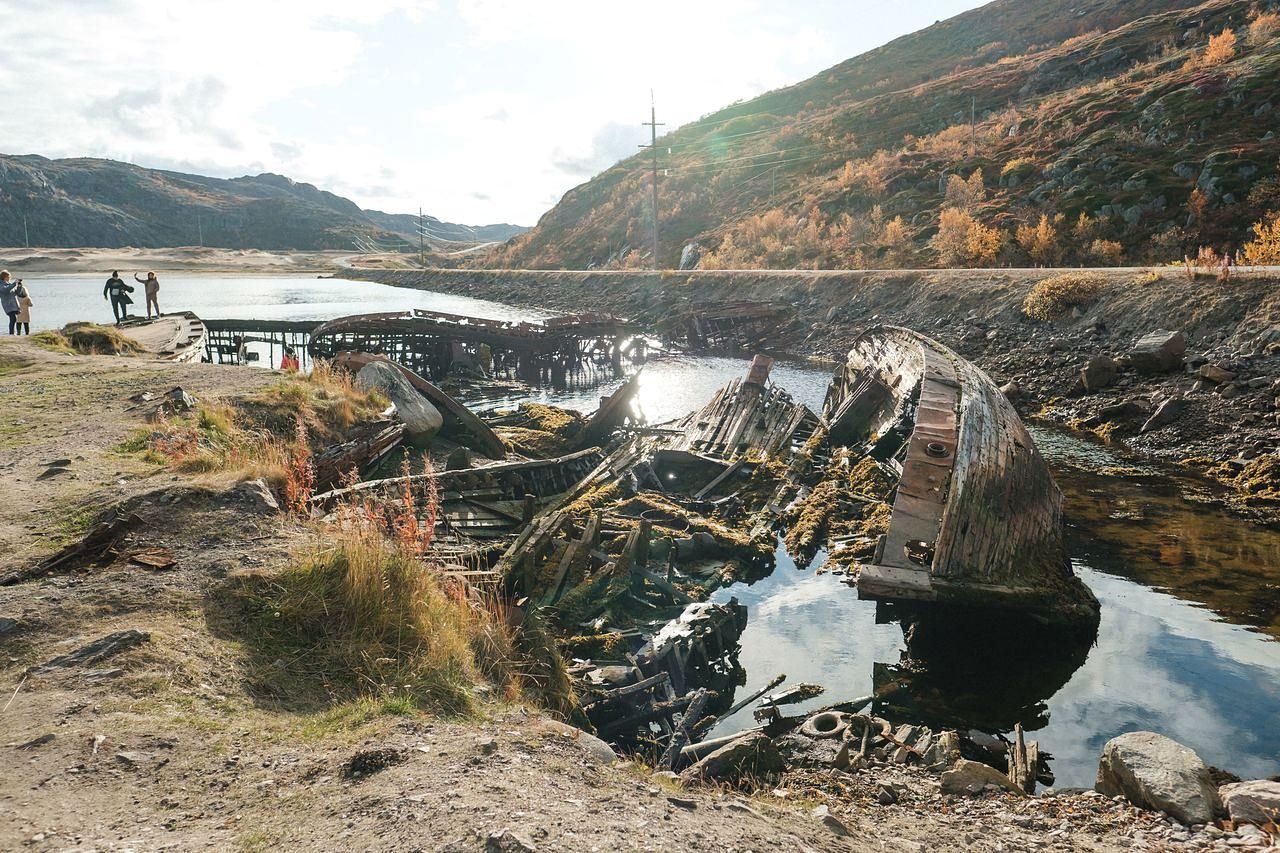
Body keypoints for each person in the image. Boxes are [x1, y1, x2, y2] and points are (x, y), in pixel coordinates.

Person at [0, 270, 18, 335]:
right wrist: (14, 284)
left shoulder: (8, 284)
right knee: (13, 318)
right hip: (7, 304)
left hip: (12, 304)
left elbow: (14, 293)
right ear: (5, 277)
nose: (9, 278)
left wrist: (19, 287)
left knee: (13, 319)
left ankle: (12, 333)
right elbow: (5, 290)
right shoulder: (1, 284)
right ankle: (11, 333)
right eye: (8, 276)